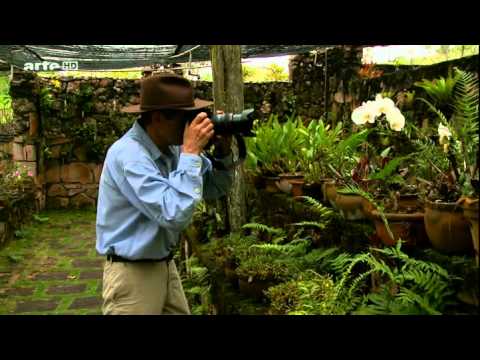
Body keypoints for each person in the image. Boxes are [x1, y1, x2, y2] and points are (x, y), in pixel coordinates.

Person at [96, 72, 234, 315]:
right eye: (185, 118)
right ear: (158, 117)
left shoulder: (172, 148)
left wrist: (222, 152)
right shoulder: (129, 155)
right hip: (132, 276)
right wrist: (191, 153)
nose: (189, 125)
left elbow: (214, 187)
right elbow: (174, 213)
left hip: (164, 266)